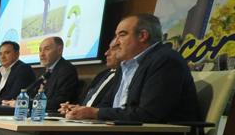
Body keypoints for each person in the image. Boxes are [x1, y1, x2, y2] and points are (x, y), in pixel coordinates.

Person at [62, 14, 200, 124]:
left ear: (142, 36)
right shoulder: (125, 66)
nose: (116, 42)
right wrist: (81, 110)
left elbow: (148, 114)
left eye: (121, 35)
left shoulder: (165, 61)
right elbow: (106, 105)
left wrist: (94, 113)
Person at [30, 35, 79, 113]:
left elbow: (60, 102)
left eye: (47, 49)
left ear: (59, 50)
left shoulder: (67, 70)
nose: (41, 54)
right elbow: (33, 94)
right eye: (40, 50)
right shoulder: (44, 71)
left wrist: (28, 104)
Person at [78, 42, 121, 108]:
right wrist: (74, 108)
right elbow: (84, 99)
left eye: (113, 49)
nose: (106, 53)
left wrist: (90, 112)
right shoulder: (101, 74)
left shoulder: (124, 76)